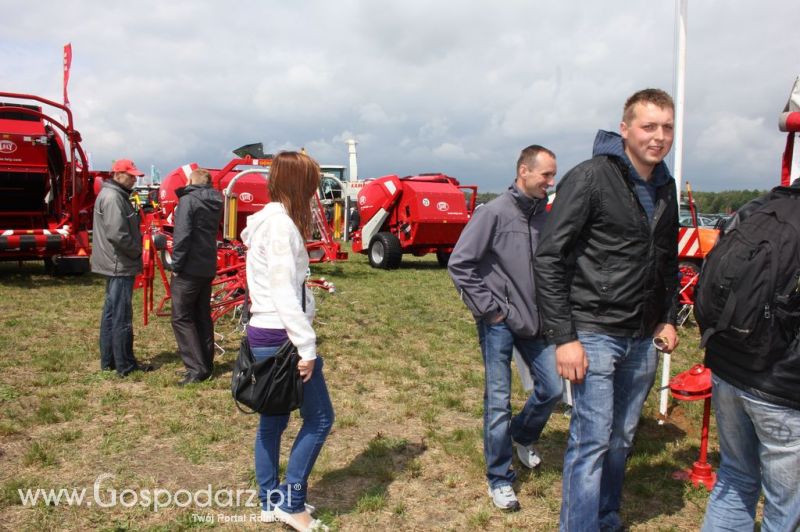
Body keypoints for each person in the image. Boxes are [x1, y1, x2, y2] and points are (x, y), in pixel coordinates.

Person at [534, 89, 679, 531]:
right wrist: (565, 338)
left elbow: (666, 258)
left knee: (622, 439)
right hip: (593, 332)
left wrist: (668, 316)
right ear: (625, 129)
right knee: (592, 440)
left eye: (667, 127)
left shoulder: (665, 184)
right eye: (648, 126)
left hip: (642, 336)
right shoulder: (592, 177)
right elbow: (550, 257)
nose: (658, 137)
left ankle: (606, 517)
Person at [448, 145, 562, 512]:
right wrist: (491, 310)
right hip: (499, 323)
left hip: (537, 322)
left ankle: (521, 435)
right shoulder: (494, 213)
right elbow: (460, 263)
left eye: (552, 175)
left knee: (553, 388)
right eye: (545, 174)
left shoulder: (546, 218)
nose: (550, 181)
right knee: (498, 401)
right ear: (523, 172)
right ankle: (499, 478)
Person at [700, 180, 800, 532]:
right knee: (785, 506)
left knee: (735, 478)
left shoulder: (760, 207)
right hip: (783, 387)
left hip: (728, 368)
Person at [241, 151, 333, 532]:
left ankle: (269, 499)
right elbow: (281, 290)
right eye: (312, 184)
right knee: (320, 419)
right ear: (300, 185)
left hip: (266, 332)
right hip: (282, 338)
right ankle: (291, 502)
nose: (316, 192)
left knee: (272, 422)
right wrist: (306, 347)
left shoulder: (269, 223)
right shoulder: (280, 227)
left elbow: (278, 284)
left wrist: (305, 288)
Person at [91, 158, 153, 376]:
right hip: (119, 263)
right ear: (117, 174)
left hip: (115, 262)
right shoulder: (113, 198)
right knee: (121, 316)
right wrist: (138, 250)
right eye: (131, 176)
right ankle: (125, 365)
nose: (134, 180)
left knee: (111, 314)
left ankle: (109, 361)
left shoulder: (116, 195)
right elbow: (118, 234)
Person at [169, 168, 223, 385]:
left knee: (181, 317)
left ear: (191, 180)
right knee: (202, 315)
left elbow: (182, 235)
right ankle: (206, 364)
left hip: (189, 267)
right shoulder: (216, 201)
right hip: (207, 264)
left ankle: (195, 368)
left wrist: (176, 265)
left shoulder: (188, 201)